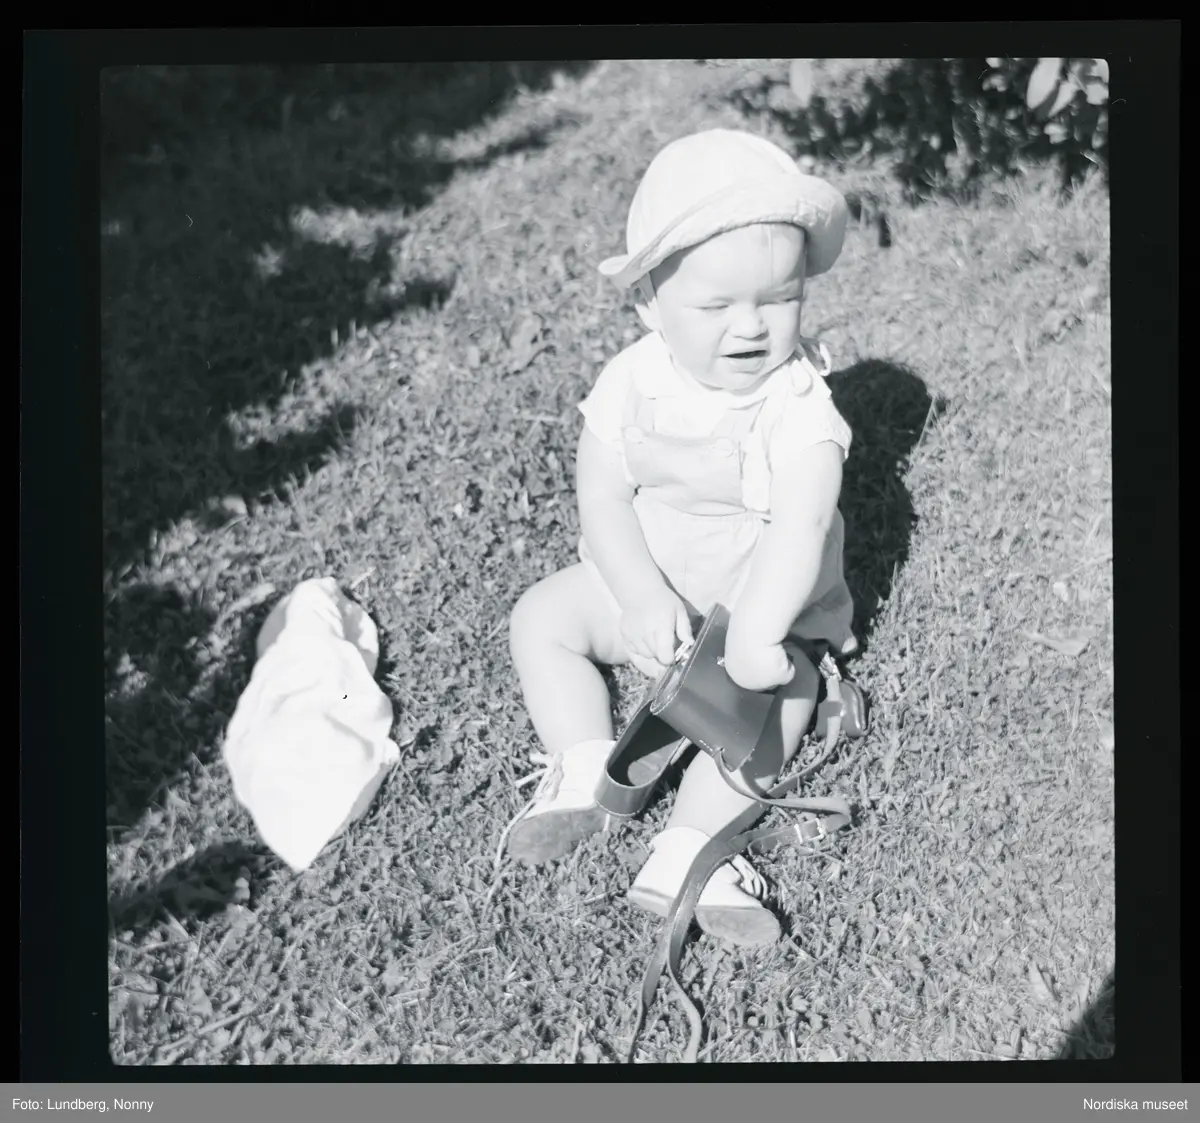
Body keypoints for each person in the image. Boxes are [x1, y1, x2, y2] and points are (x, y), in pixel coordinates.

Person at [505, 128, 857, 946]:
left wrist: (759, 635)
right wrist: (637, 593)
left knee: (789, 695)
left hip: (753, 612)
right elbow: (602, 491)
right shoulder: (632, 379)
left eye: (779, 299)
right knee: (542, 617)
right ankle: (585, 765)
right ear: (649, 306)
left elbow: (801, 527)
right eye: (716, 307)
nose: (750, 327)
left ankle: (690, 847)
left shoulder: (797, 406)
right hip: (653, 586)